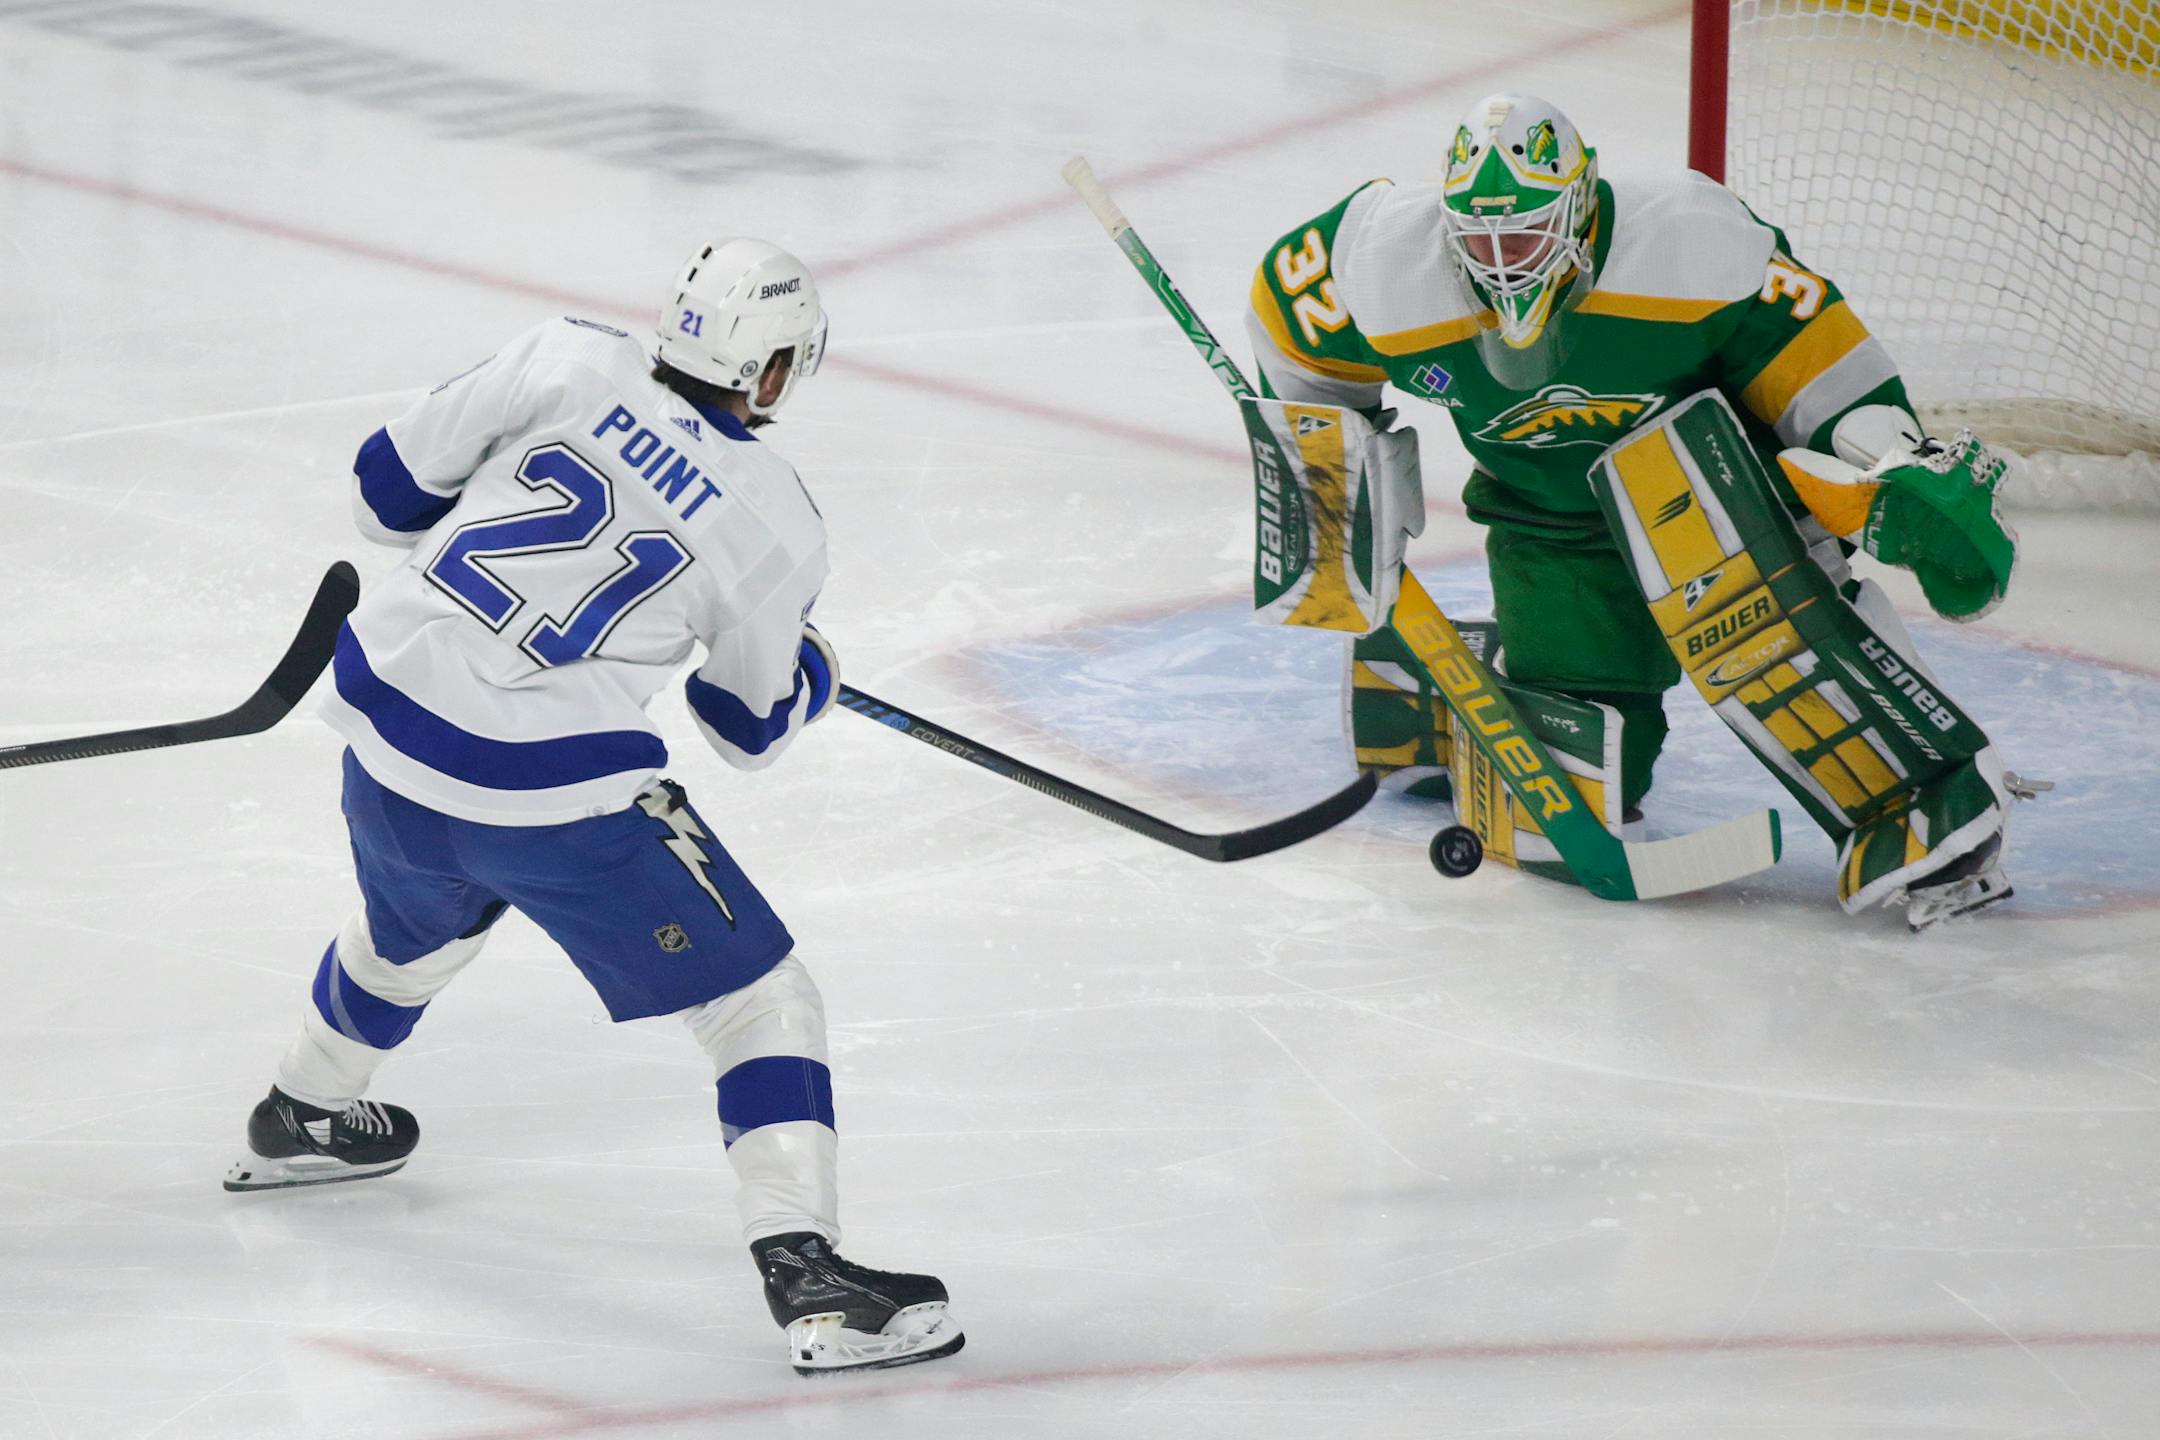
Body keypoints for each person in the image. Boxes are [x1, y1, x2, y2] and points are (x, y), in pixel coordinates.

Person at [223, 238, 964, 1375]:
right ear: (770, 372)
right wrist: (807, 665)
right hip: (553, 802)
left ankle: (305, 1109)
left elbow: (383, 495)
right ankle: (810, 1277)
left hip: (384, 740)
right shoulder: (777, 522)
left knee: (422, 922)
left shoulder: (562, 357)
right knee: (762, 1004)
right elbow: (744, 728)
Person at [1247, 93, 2027, 927]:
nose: (1504, 259)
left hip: (1712, 490)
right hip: (1548, 519)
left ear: (1580, 204)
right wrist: (1323, 463)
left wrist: (1885, 454)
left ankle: (1926, 800)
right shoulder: (1386, 265)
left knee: (1773, 638)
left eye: (1526, 232)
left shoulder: (1687, 239)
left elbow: (1809, 350)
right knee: (1567, 806)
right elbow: (1290, 318)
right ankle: (1447, 690)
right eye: (1480, 237)